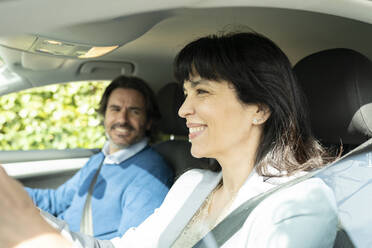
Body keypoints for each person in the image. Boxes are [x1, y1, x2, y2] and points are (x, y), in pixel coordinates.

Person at [0, 32, 338, 248]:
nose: (183, 109)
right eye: (186, 93)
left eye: (202, 91)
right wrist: (23, 217)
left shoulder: (300, 203)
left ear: (259, 109)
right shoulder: (191, 185)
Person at [23, 75, 174, 239]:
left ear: (148, 122)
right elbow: (55, 201)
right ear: (105, 114)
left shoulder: (151, 173)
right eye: (115, 109)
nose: (122, 119)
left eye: (134, 111)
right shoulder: (100, 160)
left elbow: (131, 244)